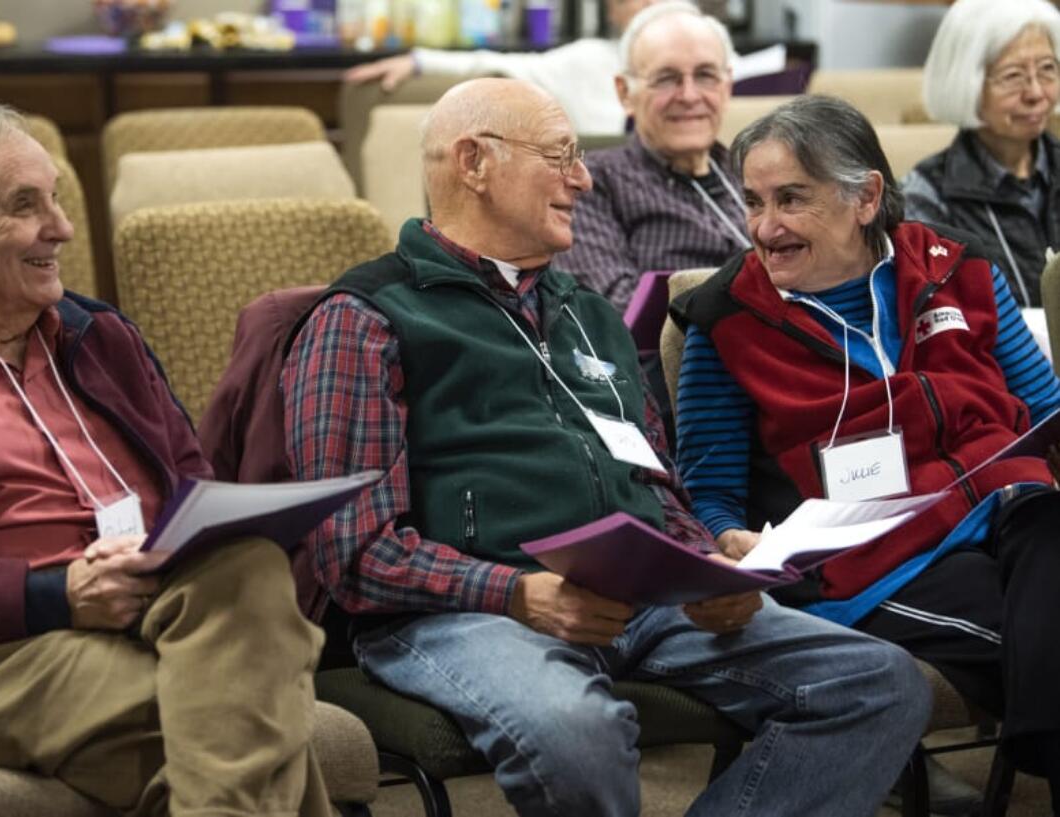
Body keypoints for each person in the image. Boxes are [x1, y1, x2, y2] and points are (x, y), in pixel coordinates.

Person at [282, 77, 930, 817]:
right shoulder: (363, 318)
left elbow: (654, 481)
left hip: (642, 600)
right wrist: (518, 592)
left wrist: (706, 567)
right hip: (465, 613)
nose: (584, 178)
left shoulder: (587, 311)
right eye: (560, 156)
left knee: (879, 682)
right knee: (576, 728)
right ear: (474, 163)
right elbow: (355, 552)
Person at [0, 105, 330, 817]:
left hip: (158, 608)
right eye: (24, 206)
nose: (63, 228)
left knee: (246, 559)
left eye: (56, 199)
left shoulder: (101, 337)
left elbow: (197, 494)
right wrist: (58, 592)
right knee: (241, 726)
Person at [674, 94, 1060, 811]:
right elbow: (709, 490)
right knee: (1029, 629)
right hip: (878, 556)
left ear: (865, 197)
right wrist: (730, 538)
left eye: (791, 198)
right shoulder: (727, 317)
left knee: (1046, 516)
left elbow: (1046, 414)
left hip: (1011, 505)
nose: (764, 226)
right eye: (754, 201)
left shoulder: (955, 266)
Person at [555, 0, 750, 316]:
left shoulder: (756, 175)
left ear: (727, 87)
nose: (688, 96)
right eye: (665, 78)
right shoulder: (591, 183)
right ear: (624, 93)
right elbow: (616, 314)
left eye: (705, 75)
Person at [902, 0, 1060, 308]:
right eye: (1013, 76)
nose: (1036, 93)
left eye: (1047, 69)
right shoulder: (925, 197)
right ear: (965, 82)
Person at [343, 0, 656, 137]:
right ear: (613, 12)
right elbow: (494, 61)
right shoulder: (586, 59)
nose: (649, 4)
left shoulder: (705, 53)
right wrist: (417, 61)